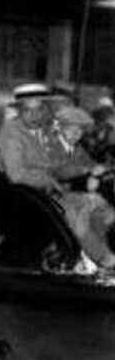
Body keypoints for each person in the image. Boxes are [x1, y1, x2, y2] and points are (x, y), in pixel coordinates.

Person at [48, 105, 115, 271]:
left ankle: (94, 256)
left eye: (80, 130)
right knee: (80, 215)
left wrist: (103, 170)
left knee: (104, 209)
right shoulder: (50, 146)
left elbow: (92, 164)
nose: (78, 134)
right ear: (61, 127)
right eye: (74, 129)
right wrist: (87, 171)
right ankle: (104, 259)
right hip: (50, 196)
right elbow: (58, 171)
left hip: (69, 195)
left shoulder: (76, 149)